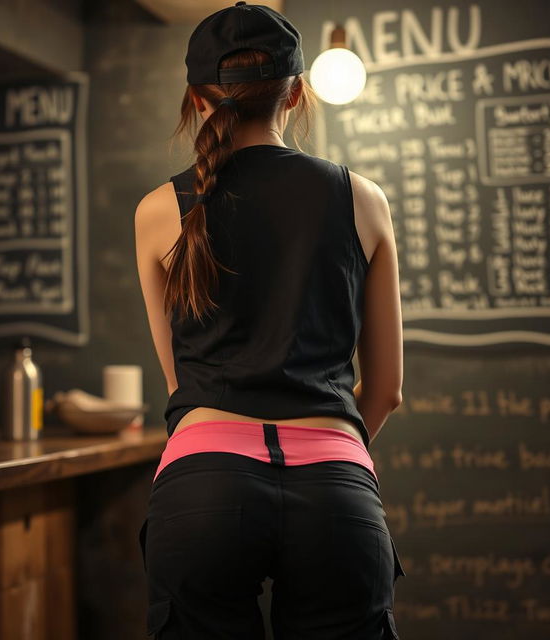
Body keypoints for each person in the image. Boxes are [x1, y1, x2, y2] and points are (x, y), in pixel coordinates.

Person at [134, 2, 405, 638]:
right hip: (336, 492)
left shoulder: (156, 211)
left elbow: (183, 386)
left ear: (196, 97)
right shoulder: (362, 198)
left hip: (201, 488)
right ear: (298, 93)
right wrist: (327, 448)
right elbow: (387, 390)